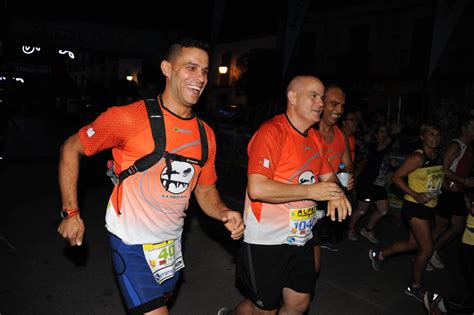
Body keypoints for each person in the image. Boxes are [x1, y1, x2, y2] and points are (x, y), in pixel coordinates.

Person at [57, 39, 244, 315]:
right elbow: (71, 148)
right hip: (130, 242)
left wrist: (225, 212)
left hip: (171, 247)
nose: (201, 78)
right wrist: (71, 212)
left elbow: (204, 191)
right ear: (167, 68)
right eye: (191, 67)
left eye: (205, 71)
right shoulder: (129, 118)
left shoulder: (206, 135)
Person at [217, 75, 351, 315]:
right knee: (264, 310)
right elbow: (257, 188)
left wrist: (336, 193)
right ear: (292, 97)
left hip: (302, 235)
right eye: (314, 96)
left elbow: (328, 176)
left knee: (299, 303)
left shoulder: (315, 138)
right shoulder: (272, 132)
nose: (320, 103)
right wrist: (311, 190)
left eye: (322, 97)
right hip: (267, 239)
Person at [369, 123, 444, 302]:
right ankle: (414, 286)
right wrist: (415, 194)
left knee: (413, 245)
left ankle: (379, 255)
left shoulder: (437, 156)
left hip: (429, 207)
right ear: (422, 137)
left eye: (438, 135)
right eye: (431, 134)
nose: (435, 138)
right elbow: (396, 178)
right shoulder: (418, 157)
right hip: (415, 207)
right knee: (427, 248)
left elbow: (433, 178)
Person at [430, 116, 474, 270]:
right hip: (448, 193)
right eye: (472, 127)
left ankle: (432, 250)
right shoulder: (456, 145)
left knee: (458, 228)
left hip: (458, 194)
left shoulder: (468, 148)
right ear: (464, 129)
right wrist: (465, 181)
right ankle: (425, 253)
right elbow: (443, 169)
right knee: (440, 227)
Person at [316, 84, 354, 252]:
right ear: (322, 103)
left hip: (332, 196)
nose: (339, 110)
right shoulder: (309, 131)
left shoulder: (340, 134)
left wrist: (348, 177)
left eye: (342, 106)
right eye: (334, 104)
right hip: (307, 198)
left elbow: (348, 164)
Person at [347, 123, 400, 242]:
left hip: (379, 185)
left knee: (384, 210)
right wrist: (393, 134)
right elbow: (362, 164)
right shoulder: (372, 146)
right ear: (376, 135)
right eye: (381, 131)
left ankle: (368, 230)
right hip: (366, 183)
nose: (384, 134)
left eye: (385, 132)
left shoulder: (386, 149)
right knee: (362, 210)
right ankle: (350, 228)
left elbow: (383, 159)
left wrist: (391, 164)